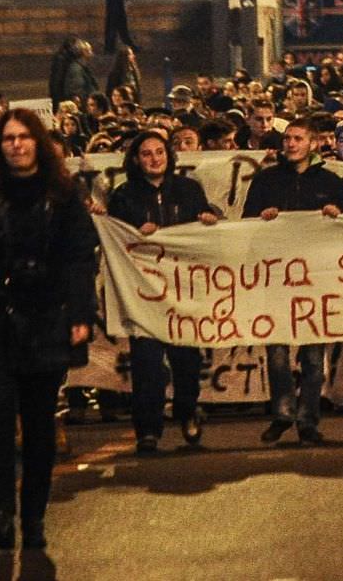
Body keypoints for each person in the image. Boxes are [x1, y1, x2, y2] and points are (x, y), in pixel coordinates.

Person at [0, 108, 98, 551]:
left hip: (45, 317)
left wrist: (79, 312)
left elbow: (80, 255)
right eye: (7, 138)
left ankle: (34, 515)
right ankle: (1, 513)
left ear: (38, 142)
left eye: (23, 137)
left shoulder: (62, 194)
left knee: (39, 424)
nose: (16, 145)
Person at [102, 130, 220, 454]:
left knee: (186, 362)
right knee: (147, 364)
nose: (154, 159)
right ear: (136, 160)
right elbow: (115, 240)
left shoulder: (189, 189)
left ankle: (187, 410)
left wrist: (210, 219)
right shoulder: (124, 196)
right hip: (144, 294)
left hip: (183, 292)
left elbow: (205, 224)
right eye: (146, 154)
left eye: (159, 152)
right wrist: (135, 235)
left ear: (168, 156)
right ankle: (148, 430)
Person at [243, 117, 343, 444]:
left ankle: (308, 420)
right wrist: (262, 219)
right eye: (287, 138)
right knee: (277, 354)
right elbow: (246, 223)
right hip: (277, 278)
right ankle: (283, 412)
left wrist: (336, 215)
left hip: (316, 279)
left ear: (313, 143)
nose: (290, 143)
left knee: (313, 357)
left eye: (298, 138)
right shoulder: (266, 181)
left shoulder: (331, 183)